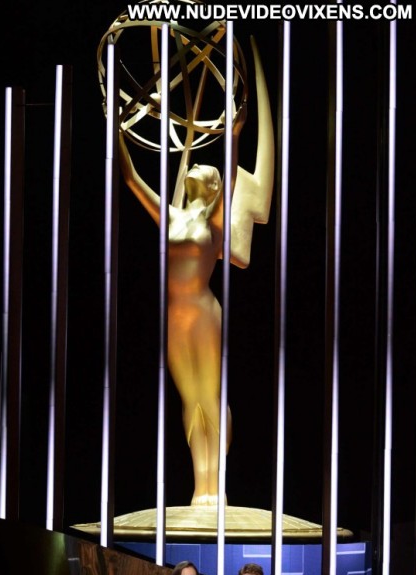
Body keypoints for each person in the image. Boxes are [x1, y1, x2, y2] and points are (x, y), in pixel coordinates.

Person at [117, 37, 274, 507]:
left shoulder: (214, 219)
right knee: (189, 401)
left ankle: (216, 485)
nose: (198, 161)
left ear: (213, 185)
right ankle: (197, 485)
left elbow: (234, 156)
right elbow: (130, 178)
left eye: (206, 165)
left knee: (211, 397)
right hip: (174, 316)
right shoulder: (170, 216)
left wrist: (238, 123)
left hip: (204, 312)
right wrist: (115, 131)